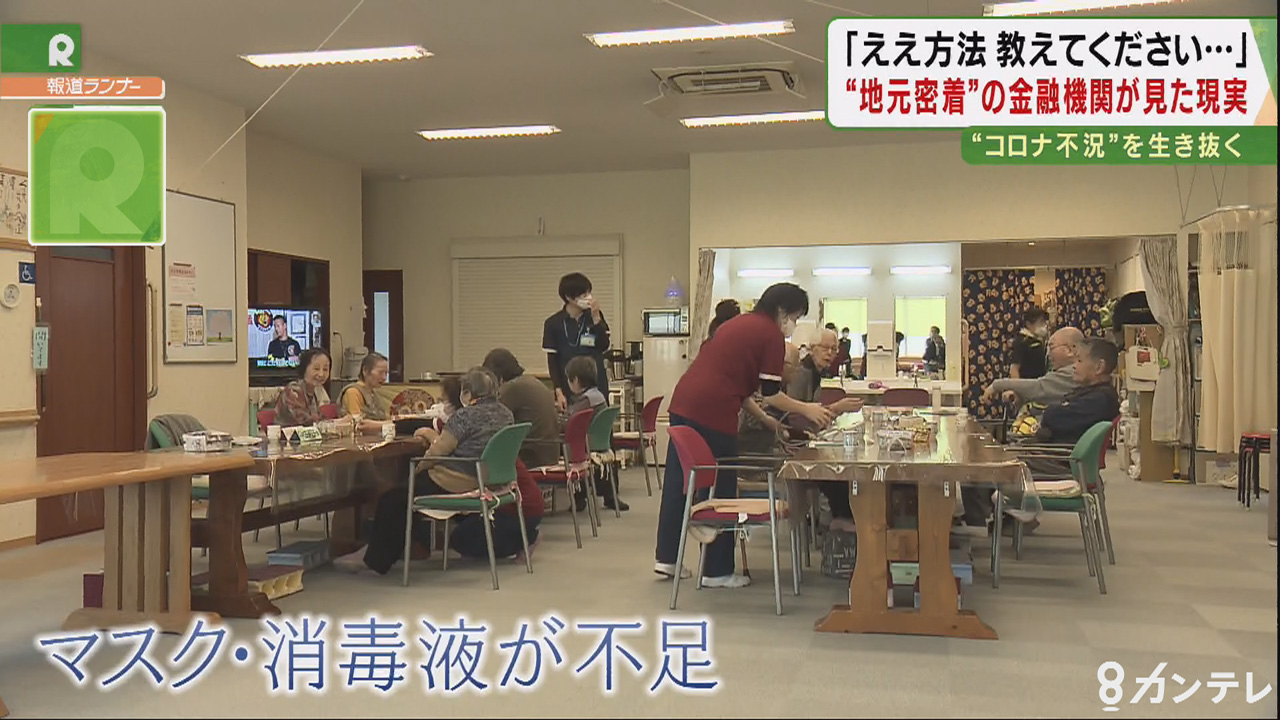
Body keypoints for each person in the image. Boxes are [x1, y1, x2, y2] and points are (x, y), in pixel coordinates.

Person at [654, 282, 833, 588]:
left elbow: (739, 387)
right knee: (723, 486)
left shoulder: (735, 325)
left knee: (681, 481)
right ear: (782, 311)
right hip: (714, 411)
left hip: (684, 402)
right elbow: (771, 393)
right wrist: (807, 408)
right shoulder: (771, 335)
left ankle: (667, 558)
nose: (794, 324)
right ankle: (716, 571)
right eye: (795, 317)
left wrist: (767, 420)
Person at [340, 368, 514, 576]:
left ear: (467, 393)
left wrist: (418, 469)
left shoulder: (465, 416)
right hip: (488, 480)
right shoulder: (506, 414)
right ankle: (403, 549)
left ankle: (375, 561)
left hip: (455, 481)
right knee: (404, 495)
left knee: (392, 499)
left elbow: (438, 451)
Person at [960, 338, 1121, 531]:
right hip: (1054, 454)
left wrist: (1053, 413)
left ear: (1099, 367)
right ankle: (993, 517)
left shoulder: (1100, 399)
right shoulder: (1093, 393)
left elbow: (1053, 417)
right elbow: (1055, 415)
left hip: (1059, 461)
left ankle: (977, 524)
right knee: (985, 454)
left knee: (978, 462)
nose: (1074, 366)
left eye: (1079, 361)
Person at [785, 328, 864, 531]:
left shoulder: (815, 373)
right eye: (825, 348)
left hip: (804, 438)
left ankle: (843, 516)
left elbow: (812, 414)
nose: (830, 353)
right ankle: (842, 518)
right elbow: (793, 416)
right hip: (791, 444)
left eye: (834, 349)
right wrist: (836, 408)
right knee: (835, 468)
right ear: (812, 349)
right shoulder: (802, 374)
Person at [449, 456, 544, 563]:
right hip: (528, 504)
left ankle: (527, 539)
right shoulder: (500, 448)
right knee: (463, 522)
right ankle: (522, 536)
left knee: (459, 539)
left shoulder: (476, 450)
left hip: (515, 507)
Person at [564, 354, 627, 512]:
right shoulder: (598, 395)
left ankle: (578, 497)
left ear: (575, 380)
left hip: (586, 446)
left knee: (560, 443)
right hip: (600, 443)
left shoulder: (586, 400)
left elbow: (570, 422)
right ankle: (605, 495)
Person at [543, 273, 611, 411]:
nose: (589, 297)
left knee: (599, 420)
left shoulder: (594, 317)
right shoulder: (553, 323)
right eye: (584, 294)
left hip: (596, 385)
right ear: (569, 297)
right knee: (574, 421)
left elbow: (604, 345)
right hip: (570, 385)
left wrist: (597, 319)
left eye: (589, 293)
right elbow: (552, 360)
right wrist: (558, 391)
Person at [483, 348, 560, 469]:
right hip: (550, 455)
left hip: (530, 459)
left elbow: (488, 420)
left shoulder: (510, 388)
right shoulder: (533, 382)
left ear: (499, 377)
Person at [982, 327, 1084, 409]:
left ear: (1070, 350)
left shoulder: (1075, 372)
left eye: (1052, 347)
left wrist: (997, 385)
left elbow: (1039, 387)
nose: (1048, 354)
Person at [273, 347, 330, 425]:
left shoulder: (314, 392)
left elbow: (319, 419)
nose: (321, 374)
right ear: (304, 368)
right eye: (316, 369)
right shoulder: (293, 390)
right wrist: (331, 423)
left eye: (325, 369)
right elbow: (303, 421)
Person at [340, 352, 393, 434]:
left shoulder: (374, 393)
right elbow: (358, 424)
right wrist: (388, 424)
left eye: (386, 373)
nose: (384, 378)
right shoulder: (353, 392)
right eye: (380, 373)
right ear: (365, 371)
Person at [1010, 308, 1051, 380]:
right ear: (1028, 324)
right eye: (1041, 322)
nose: (1044, 325)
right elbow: (1014, 368)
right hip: (1027, 383)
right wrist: (1017, 385)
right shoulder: (1022, 341)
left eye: (1045, 322)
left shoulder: (1039, 340)